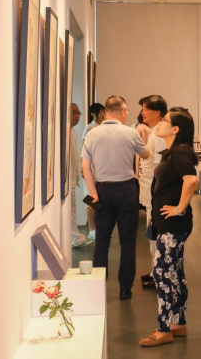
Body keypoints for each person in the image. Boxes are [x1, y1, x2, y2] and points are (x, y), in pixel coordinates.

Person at [139, 107, 199, 347]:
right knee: (174, 272)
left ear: (175, 128)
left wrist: (179, 208)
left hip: (173, 224)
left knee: (162, 273)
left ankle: (164, 328)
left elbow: (191, 179)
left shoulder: (181, 151)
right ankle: (178, 323)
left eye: (164, 120)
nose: (160, 123)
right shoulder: (173, 152)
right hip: (170, 224)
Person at [82, 96, 149, 300]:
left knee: (102, 240)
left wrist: (93, 192)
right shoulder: (131, 133)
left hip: (102, 190)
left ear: (105, 111)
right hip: (126, 189)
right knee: (128, 241)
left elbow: (85, 166)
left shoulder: (92, 134)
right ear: (123, 110)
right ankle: (125, 288)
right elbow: (146, 155)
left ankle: (98, 287)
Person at [137, 95, 169, 289]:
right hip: (149, 188)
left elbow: (159, 168)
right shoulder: (154, 132)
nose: (142, 113)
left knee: (154, 234)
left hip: (154, 191)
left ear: (157, 112)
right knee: (152, 233)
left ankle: (159, 273)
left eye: (145, 109)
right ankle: (155, 270)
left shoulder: (159, 134)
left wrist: (157, 195)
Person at [82, 103, 106, 240]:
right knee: (90, 199)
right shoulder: (89, 128)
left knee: (97, 198)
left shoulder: (102, 127)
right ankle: (92, 229)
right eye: (100, 112)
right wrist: (83, 169)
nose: (103, 114)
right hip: (89, 168)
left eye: (104, 111)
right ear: (92, 114)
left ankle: (97, 227)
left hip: (99, 168)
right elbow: (84, 149)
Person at [70, 103, 92, 248]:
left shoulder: (73, 131)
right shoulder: (88, 129)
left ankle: (75, 237)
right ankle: (76, 238)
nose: (77, 116)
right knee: (72, 209)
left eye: (79, 113)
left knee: (73, 209)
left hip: (73, 177)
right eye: (74, 112)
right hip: (67, 179)